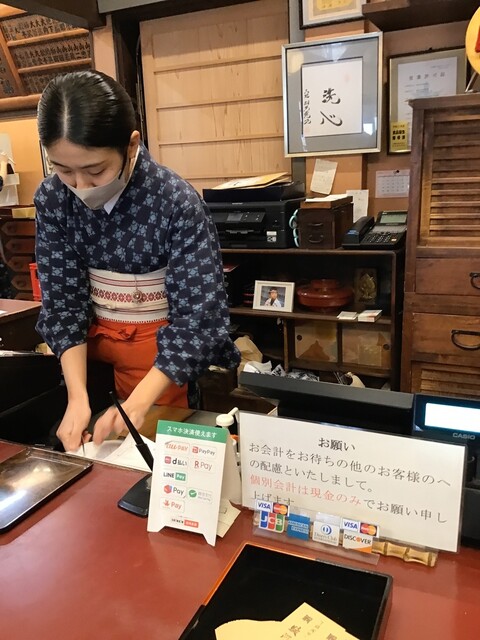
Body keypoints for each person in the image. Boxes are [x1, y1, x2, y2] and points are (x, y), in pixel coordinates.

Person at [34, 70, 240, 452]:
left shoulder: (175, 202)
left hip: (159, 357)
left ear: (131, 145)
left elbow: (199, 319)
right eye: (63, 170)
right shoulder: (52, 198)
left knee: (155, 452)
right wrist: (77, 397)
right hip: (89, 352)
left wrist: (139, 403)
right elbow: (63, 301)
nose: (79, 187)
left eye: (95, 171)